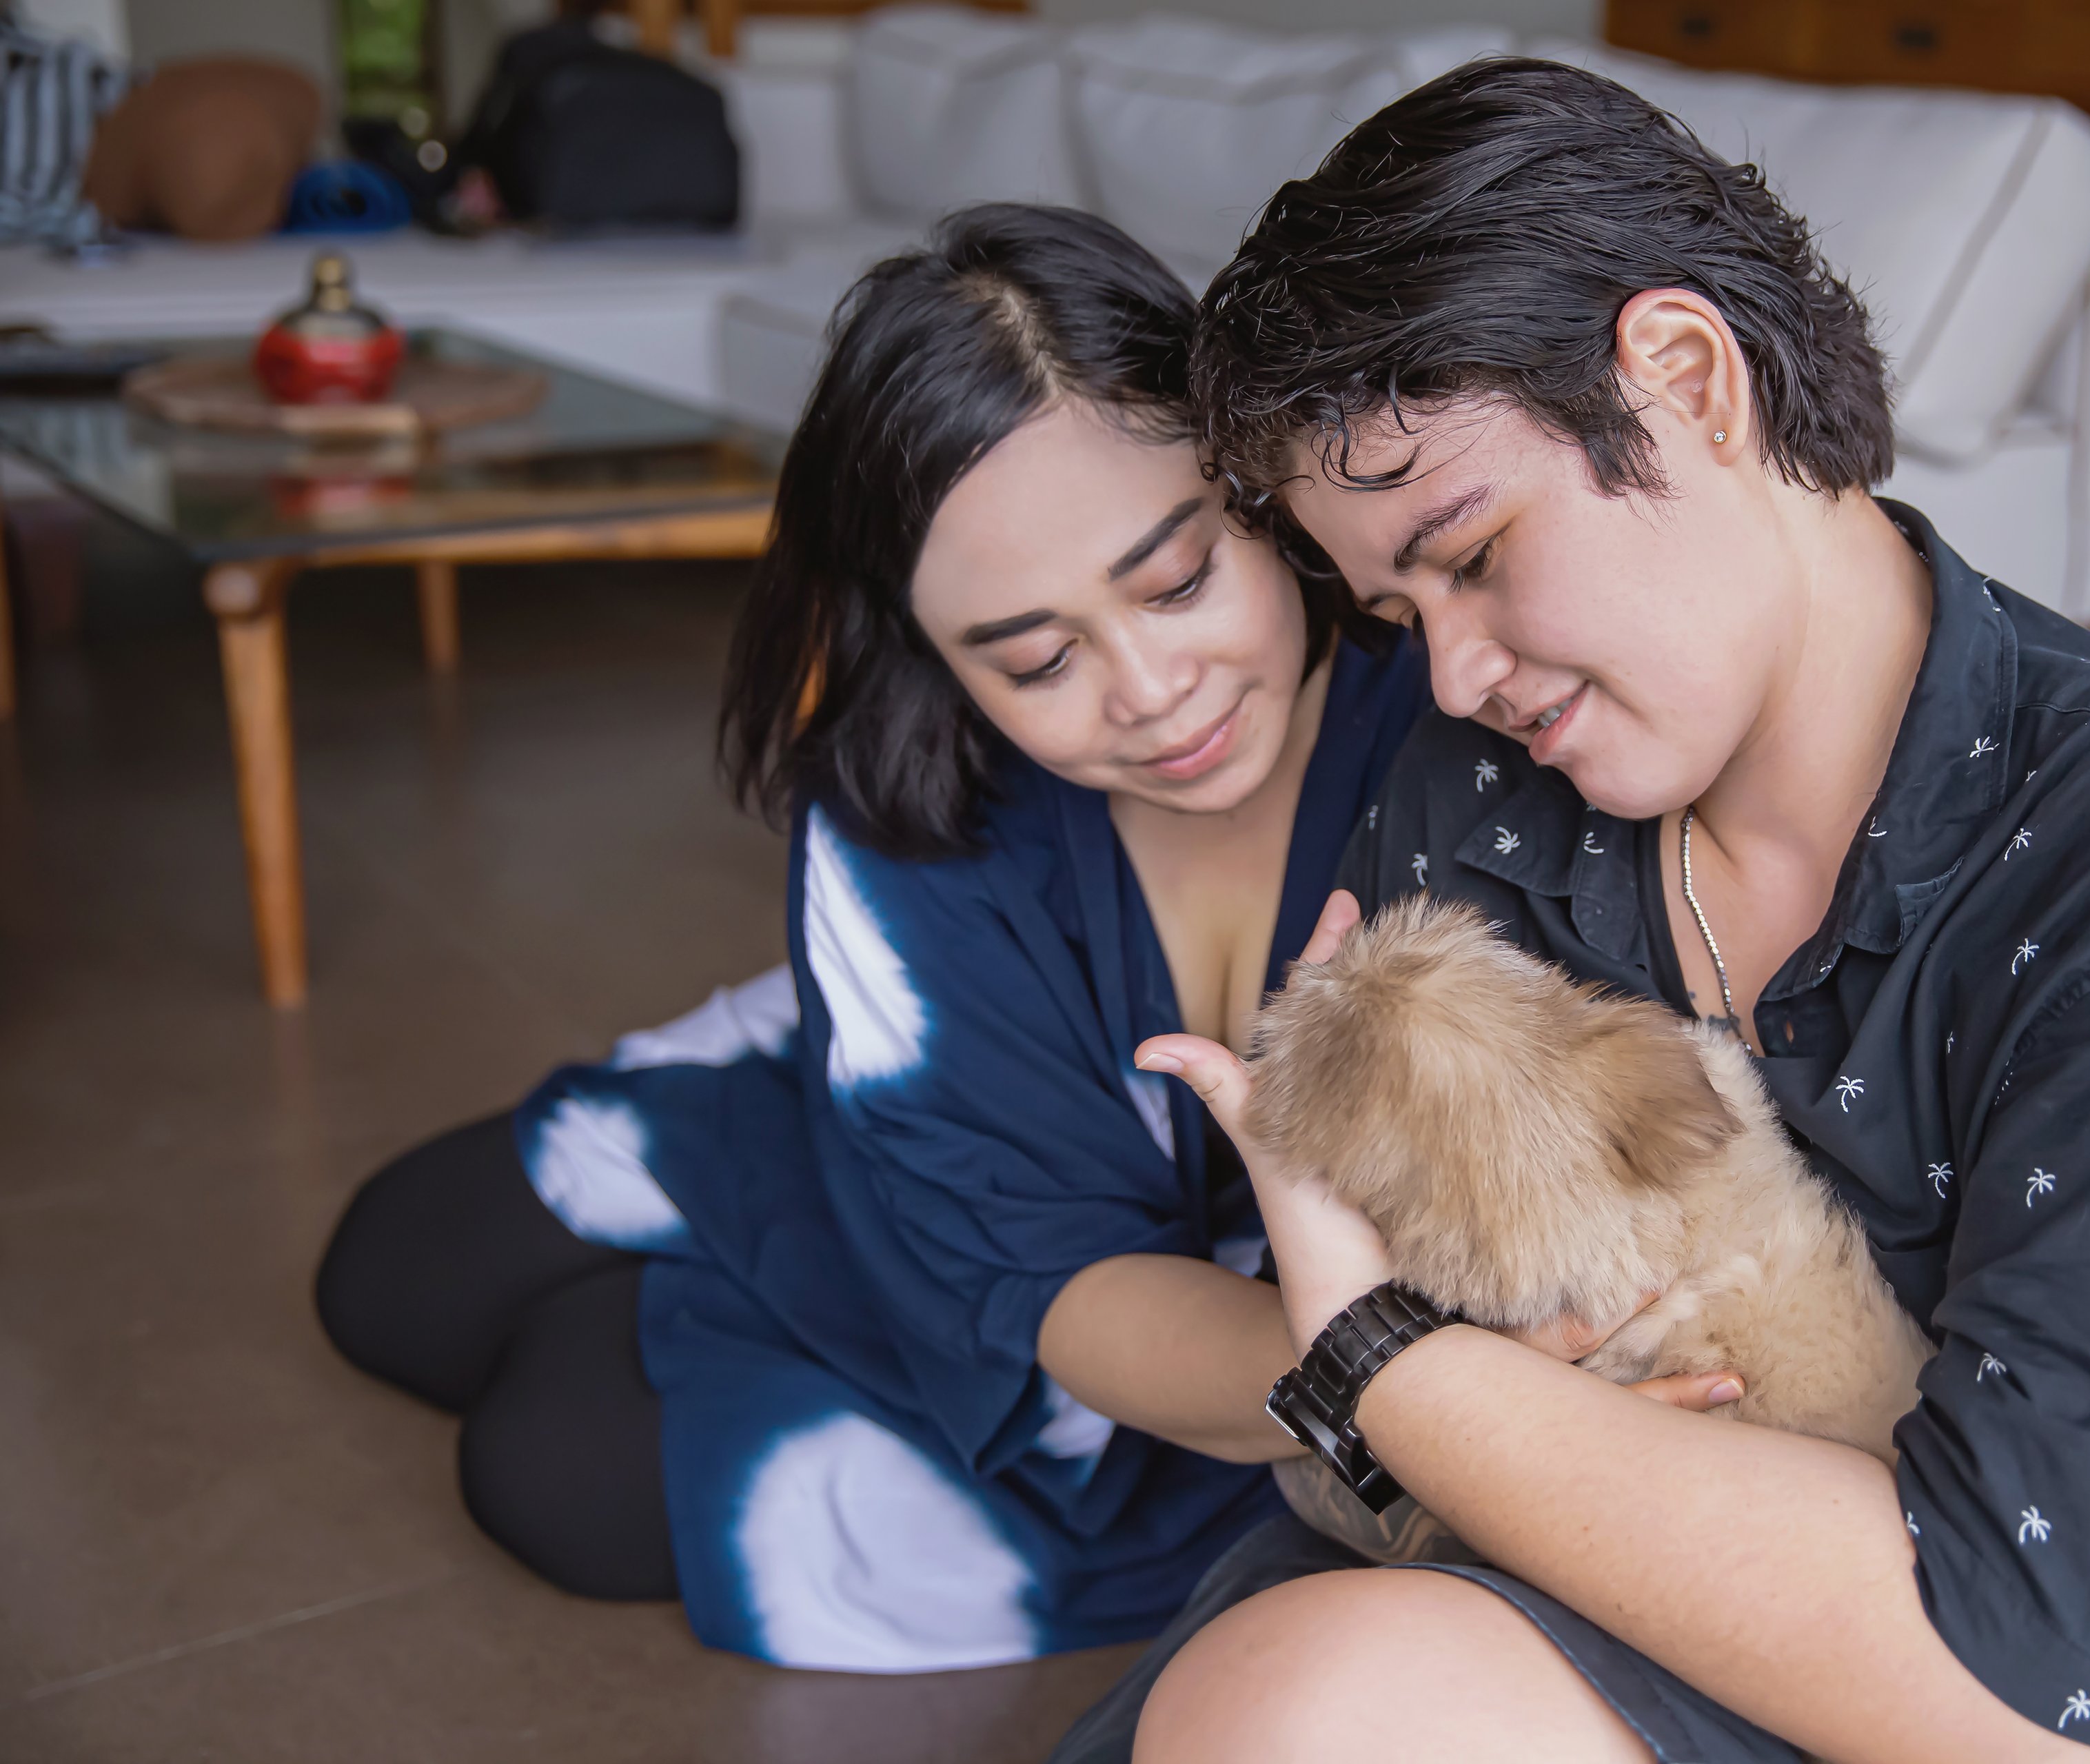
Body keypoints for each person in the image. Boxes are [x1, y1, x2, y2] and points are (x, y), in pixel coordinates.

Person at [1064, 60, 2090, 1764]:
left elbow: (2047, 1693)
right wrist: (1469, 1399)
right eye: (1397, 607)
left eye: (1476, 551)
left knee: (1319, 1715)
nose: (1456, 670)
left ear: (1688, 377)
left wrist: (1373, 1357)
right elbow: (1475, 1433)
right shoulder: (1478, 791)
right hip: (1534, 1575)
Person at [312, 204, 1439, 1672]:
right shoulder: (918, 792)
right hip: (997, 1183)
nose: (1154, 688)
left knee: (551, 1459)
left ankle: (835, 1112)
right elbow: (1048, 1276)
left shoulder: (1448, 707)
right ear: (936, 655)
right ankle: (836, 1061)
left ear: (1256, 486)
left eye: (1176, 581)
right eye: (1034, 657)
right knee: (391, 1269)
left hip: (1272, 1367)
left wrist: (1382, 1376)